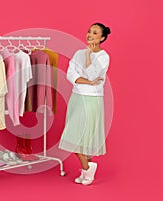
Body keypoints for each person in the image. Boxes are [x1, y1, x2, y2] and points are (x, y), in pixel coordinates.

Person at [59, 23, 111, 185]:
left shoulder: (104, 56)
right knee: (75, 136)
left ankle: (87, 169)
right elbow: (70, 75)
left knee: (79, 138)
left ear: (101, 38)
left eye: (95, 33)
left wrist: (89, 55)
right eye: (89, 31)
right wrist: (88, 81)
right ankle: (86, 169)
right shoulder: (78, 53)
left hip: (91, 100)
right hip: (76, 98)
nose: (90, 34)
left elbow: (92, 73)